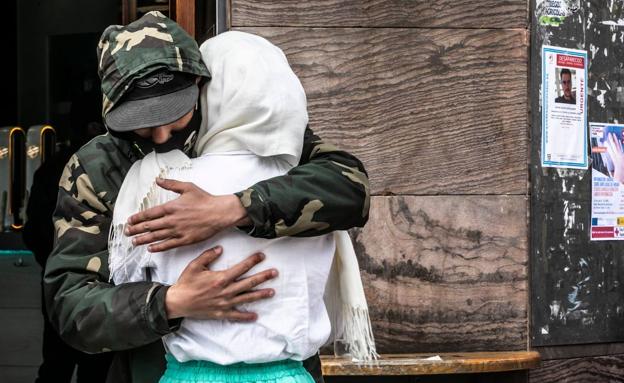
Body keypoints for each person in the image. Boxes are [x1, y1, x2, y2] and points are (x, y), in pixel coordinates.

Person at [44, 11, 370, 383]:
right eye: (143, 125)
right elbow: (71, 306)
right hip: (154, 369)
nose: (163, 136)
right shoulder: (99, 168)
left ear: (199, 86)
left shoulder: (251, 128)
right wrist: (169, 303)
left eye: (175, 116)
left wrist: (234, 208)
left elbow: (350, 189)